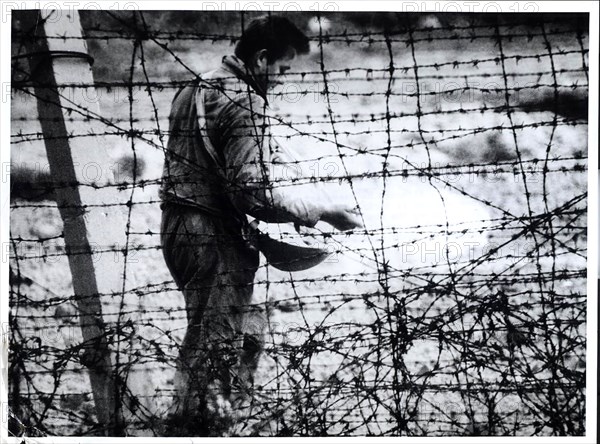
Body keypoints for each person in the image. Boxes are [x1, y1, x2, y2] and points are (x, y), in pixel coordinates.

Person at [159, 15, 362, 436]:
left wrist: (304, 196)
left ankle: (209, 415)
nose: (283, 81)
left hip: (176, 227)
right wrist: (321, 212)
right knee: (215, 344)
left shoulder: (195, 87)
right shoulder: (244, 101)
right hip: (211, 234)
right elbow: (253, 192)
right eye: (283, 70)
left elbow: (252, 160)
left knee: (235, 331)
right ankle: (197, 427)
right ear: (262, 59)